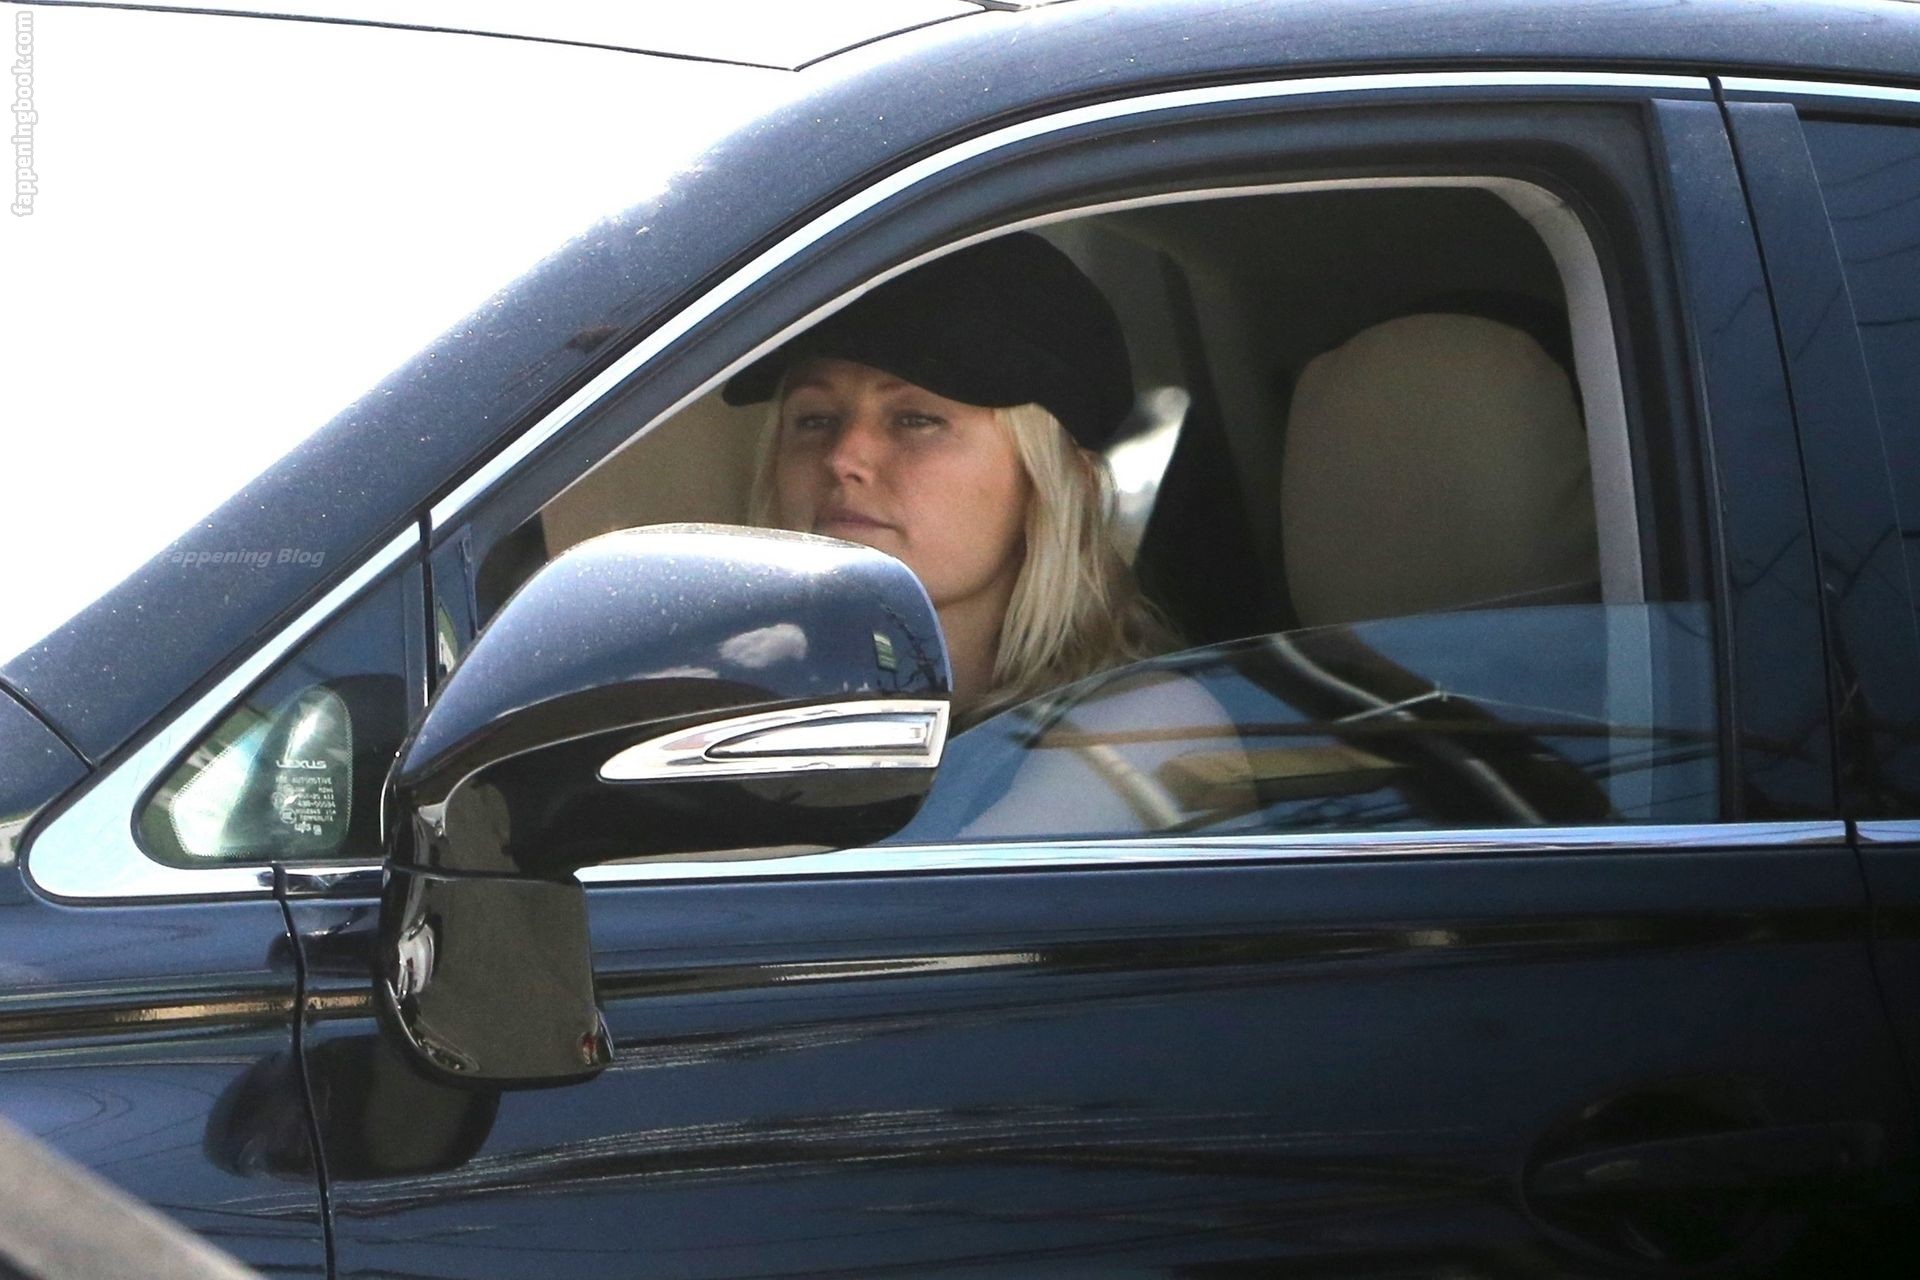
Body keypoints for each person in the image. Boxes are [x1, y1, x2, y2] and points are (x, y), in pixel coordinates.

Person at [722, 232, 1173, 727]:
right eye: (814, 419)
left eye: (916, 420)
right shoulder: (712, 708)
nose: (842, 457)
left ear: (1054, 484)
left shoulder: (1142, 729)